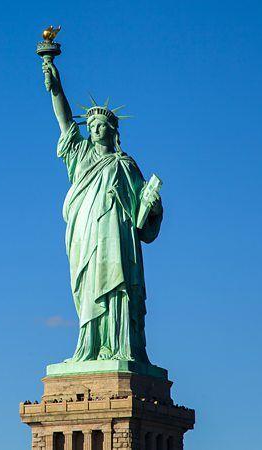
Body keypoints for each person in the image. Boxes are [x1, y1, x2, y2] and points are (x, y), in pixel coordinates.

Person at [42, 59, 163, 363]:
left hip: (116, 235)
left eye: (100, 126)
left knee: (117, 285)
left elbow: (141, 215)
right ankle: (90, 346)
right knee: (89, 287)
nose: (94, 130)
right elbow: (65, 121)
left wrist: (152, 207)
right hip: (85, 234)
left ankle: (120, 347)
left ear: (111, 131)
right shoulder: (80, 153)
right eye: (91, 126)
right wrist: (56, 88)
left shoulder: (126, 165)